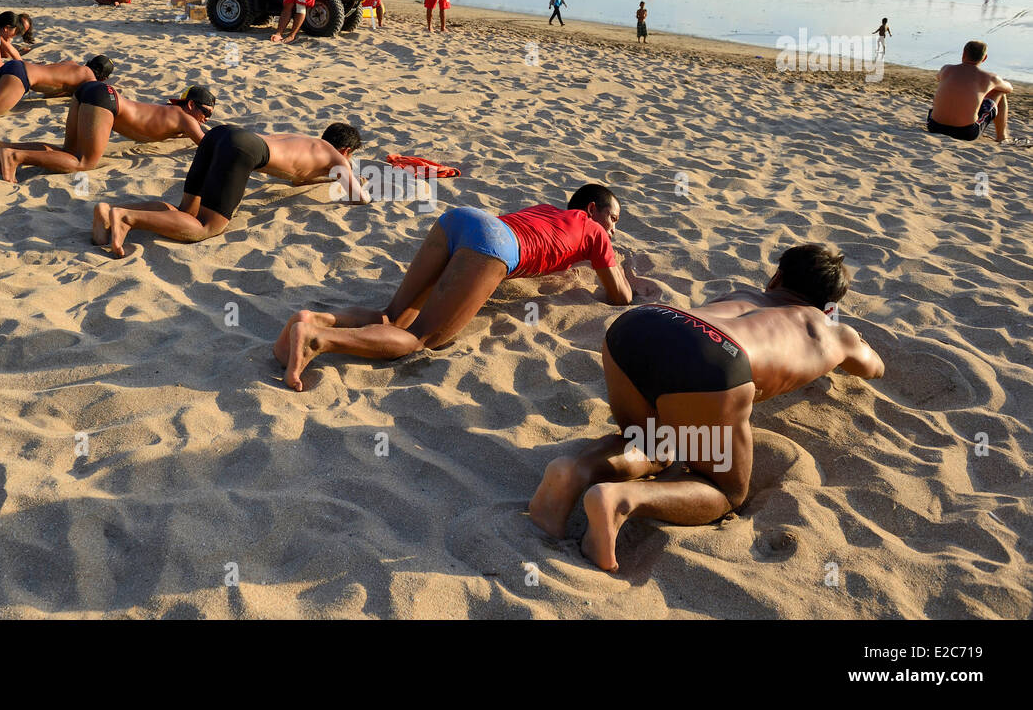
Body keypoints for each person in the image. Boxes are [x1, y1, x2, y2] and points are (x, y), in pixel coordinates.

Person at [528, 243, 884, 572]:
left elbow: (699, 329)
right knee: (726, 490)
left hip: (643, 324)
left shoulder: (745, 294)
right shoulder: (836, 330)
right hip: (718, 360)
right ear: (829, 306)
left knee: (651, 443)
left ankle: (574, 470)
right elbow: (873, 367)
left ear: (776, 277)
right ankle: (619, 500)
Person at [275, 184, 634, 391]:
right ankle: (318, 339)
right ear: (591, 209)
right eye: (613, 219)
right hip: (495, 244)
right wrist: (614, 261)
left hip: (464, 219)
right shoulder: (594, 232)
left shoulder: (546, 210)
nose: (613, 230)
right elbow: (620, 295)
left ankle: (316, 318)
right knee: (420, 338)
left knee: (393, 316)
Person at [92, 122, 367, 256]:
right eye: (350, 156)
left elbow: (298, 180)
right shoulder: (339, 158)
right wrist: (356, 180)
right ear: (346, 150)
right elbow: (360, 199)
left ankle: (111, 211)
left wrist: (329, 180)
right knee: (206, 227)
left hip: (221, 135)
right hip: (244, 149)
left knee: (186, 212)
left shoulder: (309, 142)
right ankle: (128, 218)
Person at [0, 84, 215, 182]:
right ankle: (16, 157)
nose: (206, 118)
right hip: (106, 102)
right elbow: (207, 144)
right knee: (85, 162)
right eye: (205, 112)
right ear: (191, 105)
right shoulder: (186, 119)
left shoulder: (173, 113)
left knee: (69, 151)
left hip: (94, 91)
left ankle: (3, 148)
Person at [926, 40, 1012, 143]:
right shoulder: (990, 78)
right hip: (965, 132)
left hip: (933, 126)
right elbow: (1009, 89)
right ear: (984, 58)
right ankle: (1002, 137)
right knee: (999, 92)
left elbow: (939, 78)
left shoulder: (946, 69)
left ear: (963, 54)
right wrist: (993, 84)